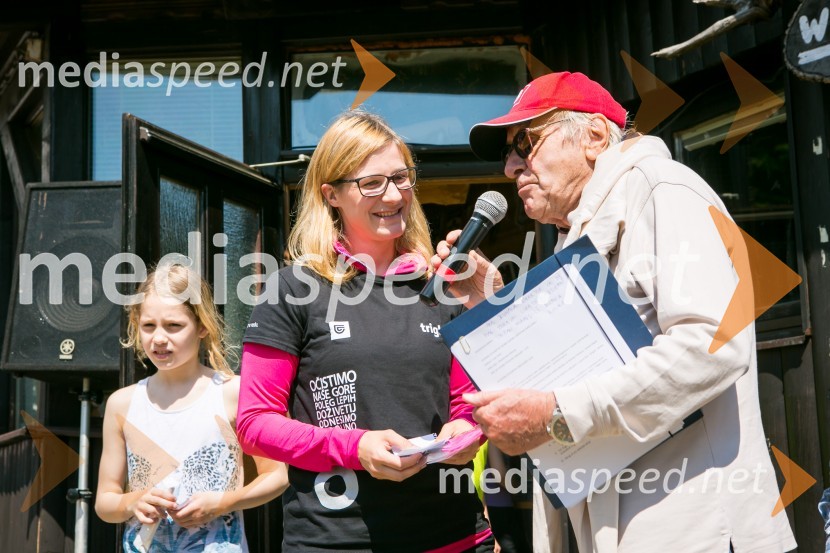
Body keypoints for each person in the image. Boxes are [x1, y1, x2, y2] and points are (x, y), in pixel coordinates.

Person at [433, 72, 797, 552]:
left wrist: (556, 414)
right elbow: (572, 365)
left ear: (595, 137)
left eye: (526, 142)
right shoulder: (576, 230)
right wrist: (490, 300)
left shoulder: (661, 190)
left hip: (691, 527)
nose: (510, 167)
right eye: (508, 152)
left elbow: (713, 345)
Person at [236, 110, 493, 552]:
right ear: (331, 195)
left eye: (401, 177)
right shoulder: (294, 287)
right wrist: (355, 448)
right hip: (336, 541)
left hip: (455, 536)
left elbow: (467, 403)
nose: (393, 194)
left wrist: (467, 431)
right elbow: (255, 423)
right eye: (371, 183)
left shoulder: (444, 284)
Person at [95, 264, 288, 552]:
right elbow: (105, 501)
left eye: (173, 326)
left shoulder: (233, 392)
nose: (159, 338)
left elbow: (277, 475)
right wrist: (133, 501)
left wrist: (222, 503)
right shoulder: (122, 403)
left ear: (201, 326)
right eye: (148, 326)